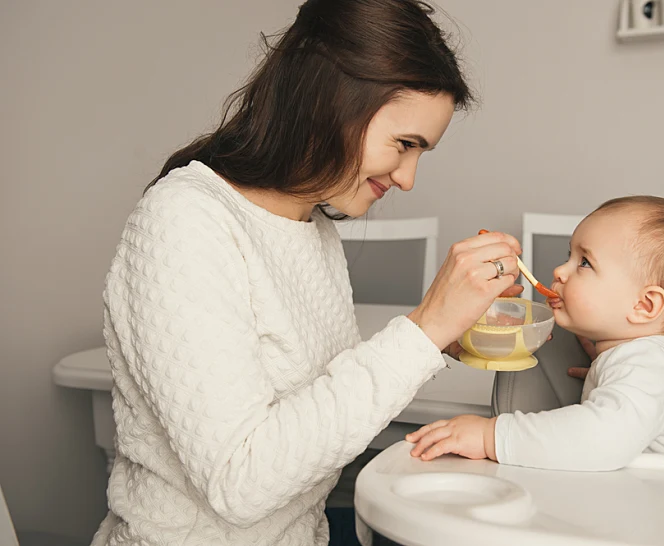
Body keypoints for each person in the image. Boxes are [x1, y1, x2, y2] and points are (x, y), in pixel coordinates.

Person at [91, 1, 524, 545]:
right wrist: (423, 329)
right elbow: (240, 480)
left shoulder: (310, 224)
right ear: (330, 102)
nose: (409, 177)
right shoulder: (183, 220)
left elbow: (308, 393)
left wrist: (441, 339)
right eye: (404, 144)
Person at [406, 196, 664, 470]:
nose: (560, 271)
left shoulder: (648, 364)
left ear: (644, 305)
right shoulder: (640, 358)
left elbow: (600, 439)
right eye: (569, 256)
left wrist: (490, 437)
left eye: (585, 263)